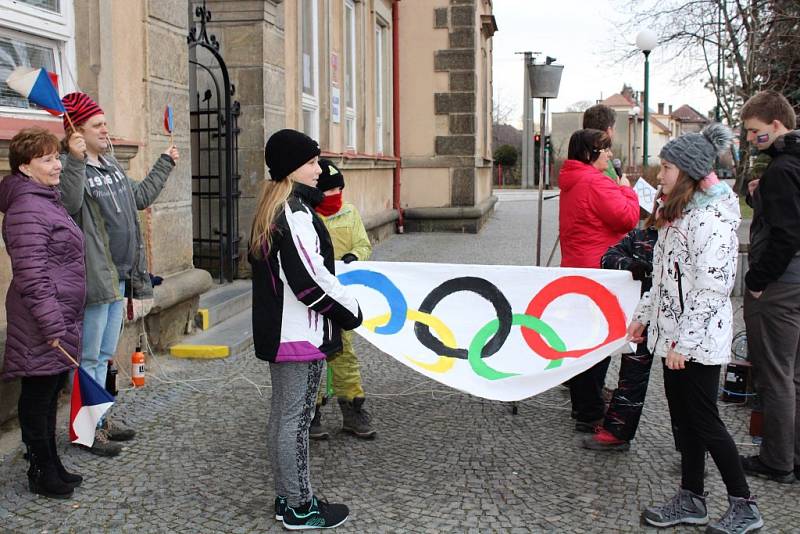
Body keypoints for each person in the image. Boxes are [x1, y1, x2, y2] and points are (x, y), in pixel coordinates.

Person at [630, 123, 763, 533]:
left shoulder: (709, 221)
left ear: (686, 172)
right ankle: (692, 497)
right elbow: (663, 276)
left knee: (705, 421)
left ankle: (745, 505)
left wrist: (684, 343)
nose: (660, 175)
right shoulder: (677, 215)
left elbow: (713, 288)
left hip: (698, 343)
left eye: (666, 167)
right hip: (673, 338)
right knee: (684, 421)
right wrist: (645, 315)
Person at [250, 129, 362, 529]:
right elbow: (311, 281)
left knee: (284, 418)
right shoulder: (293, 213)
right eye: (313, 162)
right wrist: (350, 312)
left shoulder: (276, 208)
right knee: (294, 423)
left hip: (287, 332)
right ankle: (300, 506)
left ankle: (287, 498)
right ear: (293, 168)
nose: (320, 170)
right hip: (298, 334)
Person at [58, 92, 179, 457]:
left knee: (106, 355)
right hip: (95, 277)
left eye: (104, 123)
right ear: (76, 131)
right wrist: (76, 160)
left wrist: (164, 164)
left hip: (120, 276)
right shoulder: (69, 166)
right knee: (90, 357)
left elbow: (139, 197)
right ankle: (85, 429)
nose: (105, 129)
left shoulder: (110, 164)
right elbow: (69, 205)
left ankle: (102, 419)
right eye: (97, 124)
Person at [0, 127, 86, 498]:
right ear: (24, 167)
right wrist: (53, 323)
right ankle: (40, 470)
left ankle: (51, 464)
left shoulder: (45, 199)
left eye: (56, 156)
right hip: (40, 319)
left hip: (56, 315)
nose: (57, 164)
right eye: (47, 159)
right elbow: (31, 274)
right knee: (37, 396)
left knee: (50, 392)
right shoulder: (26, 208)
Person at [558, 129, 639, 432]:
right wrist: (626, 190)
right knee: (599, 342)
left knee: (584, 340)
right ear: (590, 152)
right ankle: (590, 410)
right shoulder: (594, 182)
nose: (609, 154)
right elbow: (627, 218)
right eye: (604, 149)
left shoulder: (573, 180)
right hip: (600, 271)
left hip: (578, 266)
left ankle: (584, 405)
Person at [739, 90, 800, 485]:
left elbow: (786, 234)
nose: (748, 138)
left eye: (753, 131)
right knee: (794, 374)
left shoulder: (782, 170)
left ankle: (777, 461)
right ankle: (792, 455)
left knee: (775, 374)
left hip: (780, 285)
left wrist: (757, 281)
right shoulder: (789, 164)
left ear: (775, 126)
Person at [309, 159, 375, 440]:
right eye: (329, 190)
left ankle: (353, 408)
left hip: (342, 297)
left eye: (339, 188)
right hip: (312, 297)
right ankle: (311, 413)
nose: (335, 194)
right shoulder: (307, 216)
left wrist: (355, 257)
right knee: (312, 354)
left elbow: (363, 245)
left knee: (344, 352)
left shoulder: (350, 213)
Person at [582, 219, 657, 451]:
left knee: (684, 388)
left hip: (679, 324)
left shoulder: (694, 231)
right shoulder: (643, 236)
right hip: (641, 317)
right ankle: (617, 431)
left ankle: (693, 449)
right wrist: (629, 264)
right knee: (632, 374)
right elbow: (608, 257)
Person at [583, 104, 622, 181]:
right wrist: (625, 187)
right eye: (614, 129)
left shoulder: (580, 155)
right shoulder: (601, 162)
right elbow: (611, 192)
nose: (610, 154)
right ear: (609, 131)